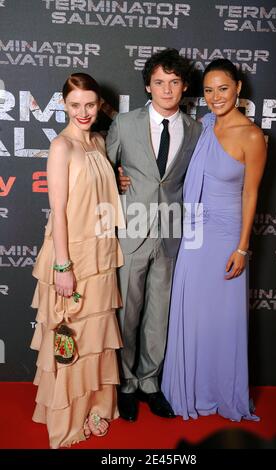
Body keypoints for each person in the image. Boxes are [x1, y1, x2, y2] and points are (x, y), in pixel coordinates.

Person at [162, 58, 267, 422]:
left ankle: (221, 391)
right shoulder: (204, 125)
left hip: (226, 237)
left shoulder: (252, 136)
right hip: (193, 234)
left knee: (222, 319)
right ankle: (188, 389)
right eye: (208, 90)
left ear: (238, 87)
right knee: (191, 314)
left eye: (223, 88)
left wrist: (242, 248)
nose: (216, 96)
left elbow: (251, 195)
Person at [106, 48, 202, 421]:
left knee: (159, 314)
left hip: (170, 235)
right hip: (131, 232)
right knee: (127, 313)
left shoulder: (195, 130)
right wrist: (113, 178)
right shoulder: (125, 123)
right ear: (148, 85)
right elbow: (102, 167)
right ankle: (126, 384)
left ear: (184, 86)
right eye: (159, 82)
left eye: (174, 82)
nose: (166, 89)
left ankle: (149, 382)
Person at [30, 73, 124, 448]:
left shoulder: (99, 141)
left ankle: (96, 408)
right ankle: (68, 419)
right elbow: (60, 212)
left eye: (89, 104)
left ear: (98, 104)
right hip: (72, 257)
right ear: (64, 106)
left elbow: (96, 193)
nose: (83, 112)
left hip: (101, 255)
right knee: (70, 339)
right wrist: (63, 267)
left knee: (96, 340)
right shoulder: (61, 146)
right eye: (74, 106)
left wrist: (116, 180)